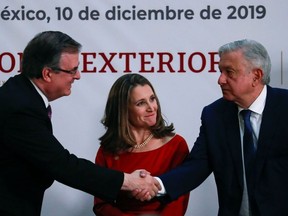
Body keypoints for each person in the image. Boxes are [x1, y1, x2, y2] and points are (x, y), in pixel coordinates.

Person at [0, 31, 160, 216]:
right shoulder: (20, 108)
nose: (78, 76)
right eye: (72, 70)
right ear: (47, 73)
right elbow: (62, 165)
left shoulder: (20, 94)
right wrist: (129, 181)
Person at [139, 39, 288, 216]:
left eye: (229, 72)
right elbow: (197, 165)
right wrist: (157, 185)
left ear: (256, 76)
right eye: (220, 71)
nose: (220, 80)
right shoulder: (215, 115)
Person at [93, 73, 190, 216]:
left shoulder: (176, 145)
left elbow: (179, 200)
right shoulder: (106, 151)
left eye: (152, 99)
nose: (151, 108)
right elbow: (101, 205)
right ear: (123, 110)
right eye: (141, 103)